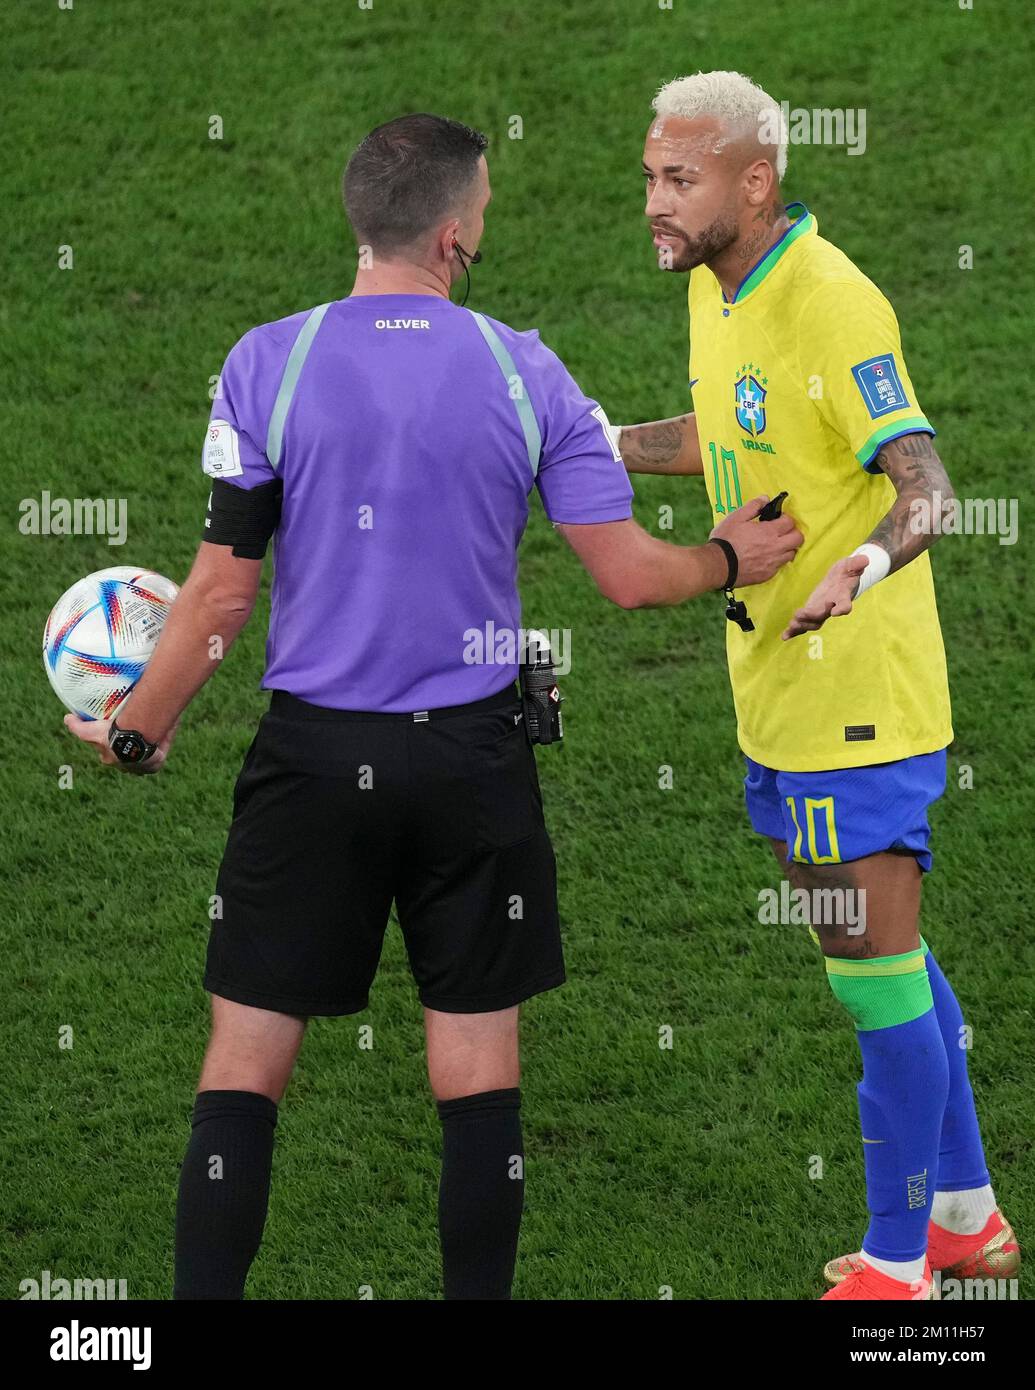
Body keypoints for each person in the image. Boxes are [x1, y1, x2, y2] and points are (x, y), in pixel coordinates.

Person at [65, 112, 800, 1300]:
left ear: (364, 220)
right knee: (476, 1068)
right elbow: (624, 574)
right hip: (474, 764)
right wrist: (722, 558)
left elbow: (220, 589)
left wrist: (138, 726)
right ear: (455, 233)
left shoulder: (270, 361)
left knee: (245, 1064)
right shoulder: (523, 369)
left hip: (311, 759)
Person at [608, 69, 1018, 1300]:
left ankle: (899, 1270)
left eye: (679, 180)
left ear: (755, 180)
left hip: (859, 701)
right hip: (779, 690)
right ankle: (967, 1218)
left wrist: (868, 557)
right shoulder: (720, 282)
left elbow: (928, 482)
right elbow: (723, 433)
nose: (654, 205)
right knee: (884, 958)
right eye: (649, 177)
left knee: (869, 971)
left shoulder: (833, 303)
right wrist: (585, 442)